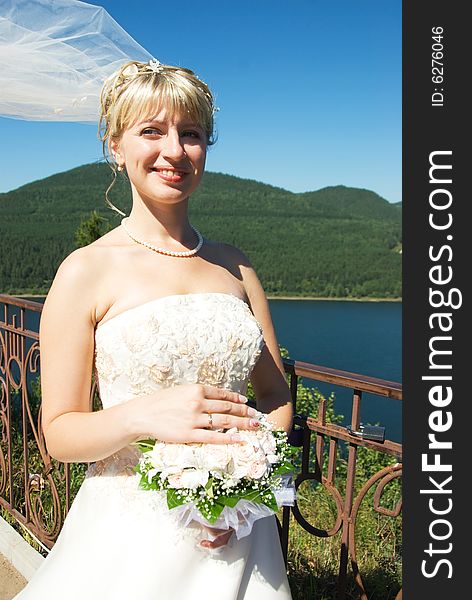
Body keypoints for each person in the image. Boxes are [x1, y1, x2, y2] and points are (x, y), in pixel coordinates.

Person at [14, 60, 293, 600]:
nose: (174, 151)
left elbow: (276, 394)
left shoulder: (236, 267)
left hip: (237, 534)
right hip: (130, 538)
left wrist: (244, 494)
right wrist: (146, 415)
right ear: (115, 146)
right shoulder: (85, 271)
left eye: (191, 134)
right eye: (151, 131)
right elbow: (61, 434)